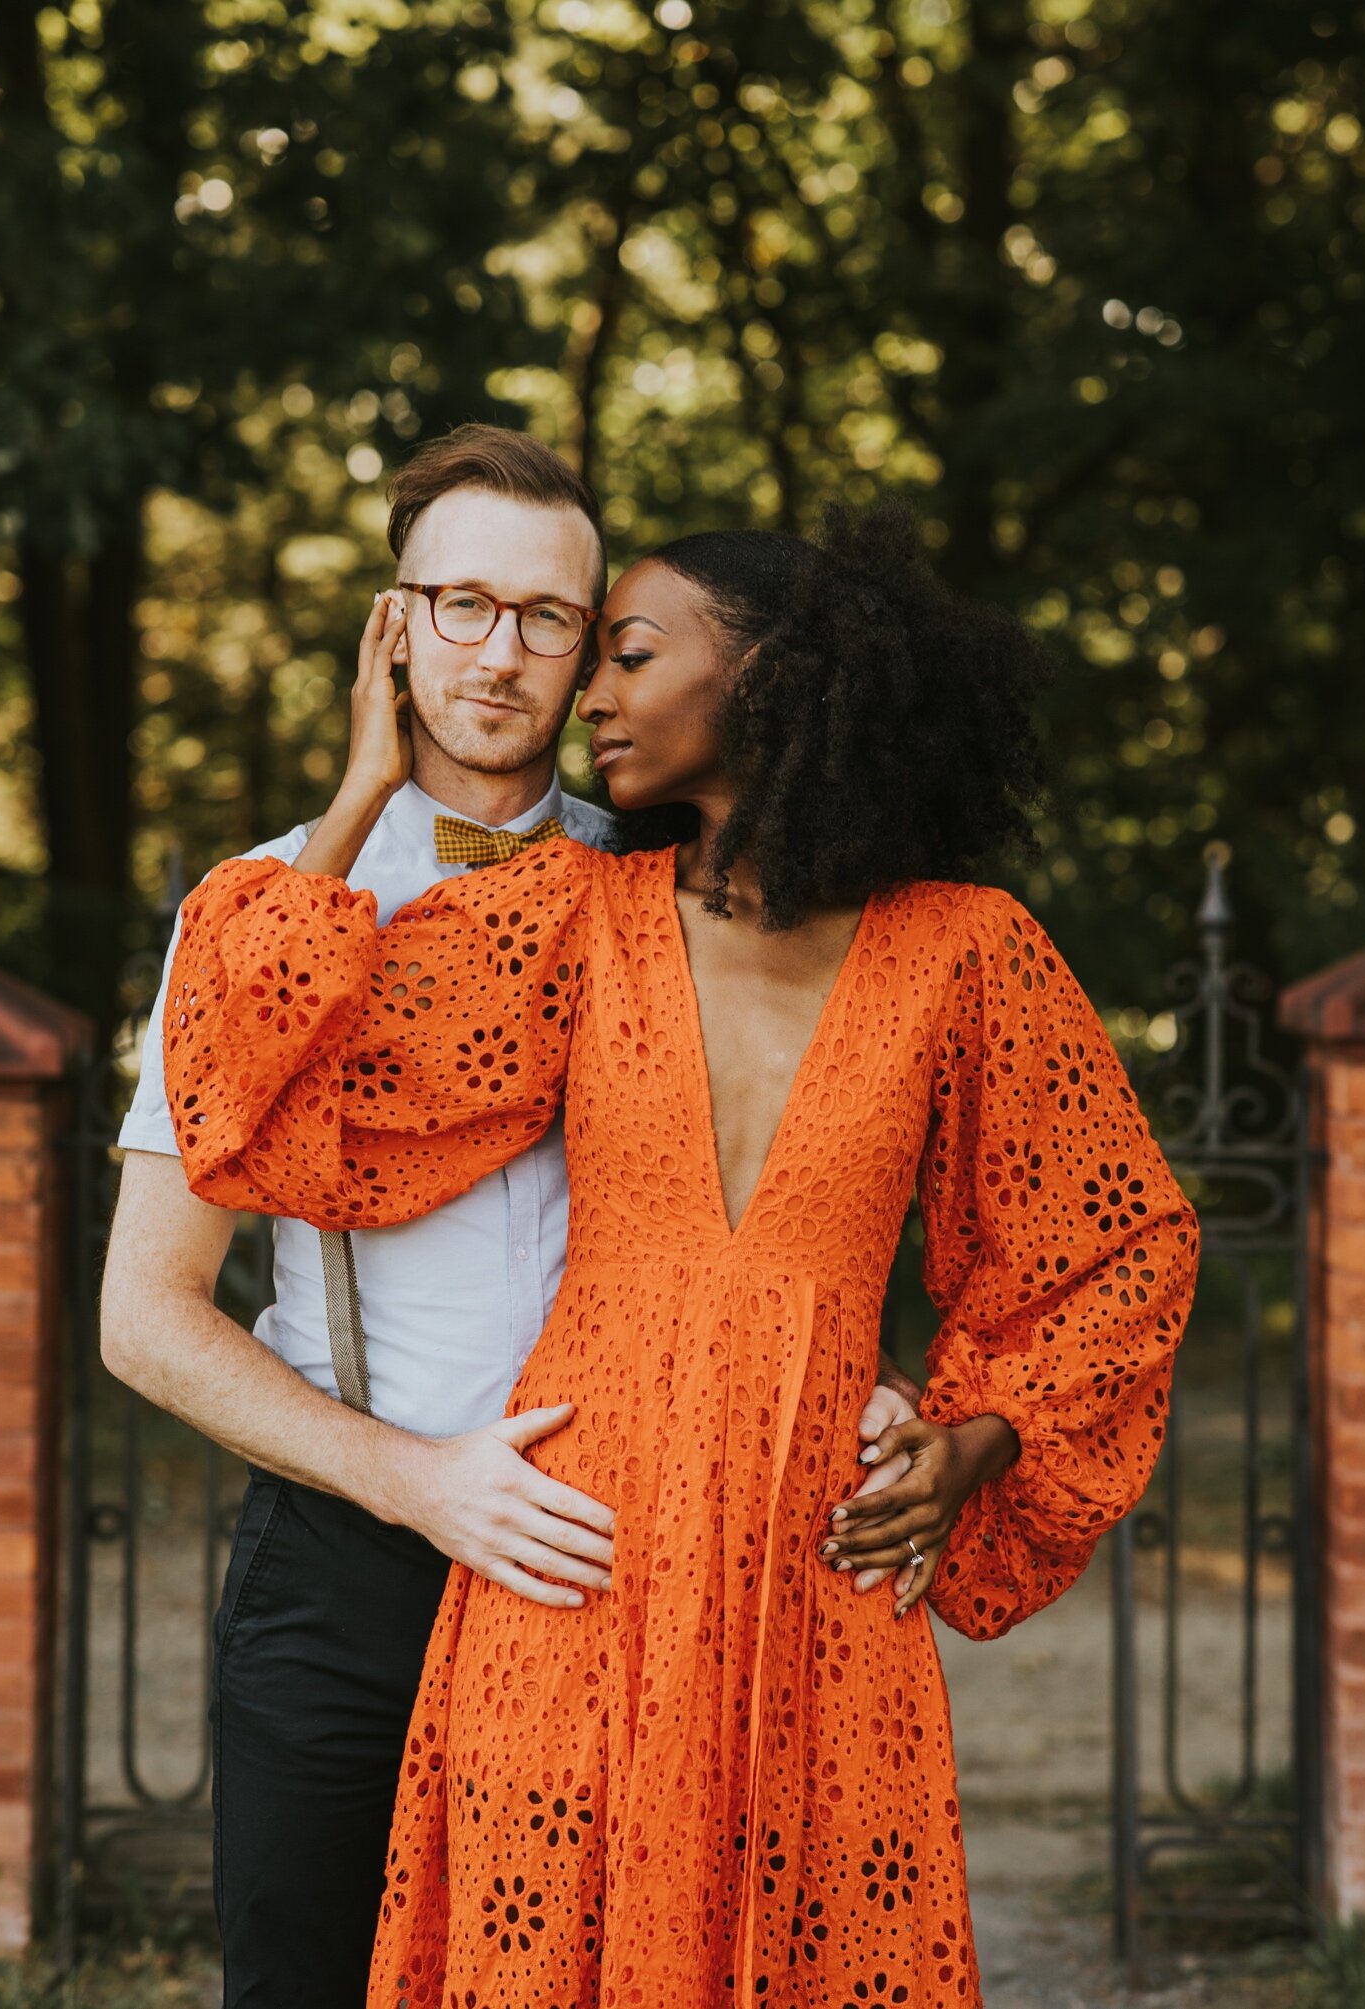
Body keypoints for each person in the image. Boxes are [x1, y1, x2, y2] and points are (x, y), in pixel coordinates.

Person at [161, 506, 1199, 2007]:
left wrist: (976, 1434)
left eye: (629, 653)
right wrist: (359, 794)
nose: (591, 695)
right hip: (567, 1552)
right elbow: (247, 1077)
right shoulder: (574, 916)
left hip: (819, 1574)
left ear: (771, 679)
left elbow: (1118, 1251)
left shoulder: (972, 950)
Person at [101, 427, 930, 2008]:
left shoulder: (686, 889)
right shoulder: (259, 906)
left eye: (550, 617)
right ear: (392, 622)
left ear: (590, 649)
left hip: (625, 1571)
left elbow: (821, 1161)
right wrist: (419, 1484)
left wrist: (865, 1371)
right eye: (462, 603)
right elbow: (144, 1318)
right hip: (346, 1565)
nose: (503, 652)